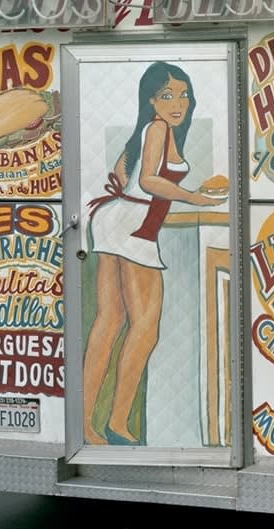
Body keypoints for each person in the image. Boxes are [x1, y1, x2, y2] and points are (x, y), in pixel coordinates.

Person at [83, 61, 220, 446]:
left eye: (184, 95)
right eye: (167, 95)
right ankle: (118, 423)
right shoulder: (158, 128)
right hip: (134, 227)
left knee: (108, 323)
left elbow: (124, 174)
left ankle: (88, 423)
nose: (179, 103)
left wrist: (188, 194)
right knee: (144, 329)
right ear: (151, 100)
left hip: (113, 220)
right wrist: (196, 197)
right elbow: (148, 180)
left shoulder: (150, 129)